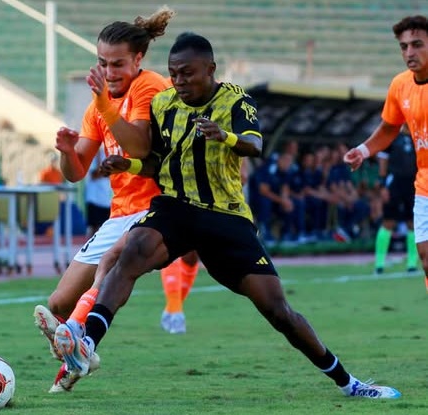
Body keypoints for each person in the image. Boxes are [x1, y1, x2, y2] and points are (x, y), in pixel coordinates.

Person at [52, 32, 401, 399]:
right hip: (175, 207)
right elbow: (158, 161)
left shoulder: (236, 99)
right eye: (174, 73)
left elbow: (255, 144)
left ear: (210, 69)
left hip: (225, 216)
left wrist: (225, 136)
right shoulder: (164, 103)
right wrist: (131, 164)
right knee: (129, 254)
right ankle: (87, 344)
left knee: (278, 311)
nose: (179, 81)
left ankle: (349, 383)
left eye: (188, 73)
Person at [32, 6, 197, 393]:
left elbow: (138, 145)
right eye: (103, 63)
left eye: (118, 63)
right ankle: (80, 355)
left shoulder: (149, 87)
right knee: (58, 303)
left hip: (161, 206)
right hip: (121, 212)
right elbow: (76, 171)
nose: (109, 71)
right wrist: (67, 151)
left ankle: (79, 336)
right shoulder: (99, 105)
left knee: (112, 264)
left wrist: (105, 103)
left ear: (138, 60)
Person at [344, 15, 428, 291]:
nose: (409, 52)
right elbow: (390, 127)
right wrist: (363, 150)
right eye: (404, 47)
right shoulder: (400, 85)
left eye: (417, 44)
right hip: (423, 183)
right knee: (426, 257)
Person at [374, 125, 417, 274]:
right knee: (388, 222)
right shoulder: (391, 135)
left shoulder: (418, 135)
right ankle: (379, 264)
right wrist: (382, 183)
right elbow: (383, 158)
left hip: (414, 183)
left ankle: (412, 264)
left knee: (413, 223)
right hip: (394, 183)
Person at [83, 146, 112, 240]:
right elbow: (95, 175)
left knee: (105, 228)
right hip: (94, 198)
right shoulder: (91, 154)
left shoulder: (109, 153)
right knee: (93, 227)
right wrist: (99, 158)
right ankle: (89, 247)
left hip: (105, 199)